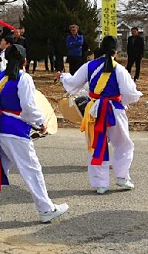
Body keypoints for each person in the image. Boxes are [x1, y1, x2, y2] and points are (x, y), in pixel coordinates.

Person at [0, 44, 68, 223]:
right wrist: (41, 123)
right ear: (25, 60)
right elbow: (29, 107)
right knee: (31, 169)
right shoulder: (24, 79)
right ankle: (46, 209)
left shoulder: (1, 77)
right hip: (15, 129)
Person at [57, 36, 142, 194]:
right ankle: (122, 177)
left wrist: (63, 77)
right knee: (124, 144)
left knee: (96, 146)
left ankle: (100, 184)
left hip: (94, 111)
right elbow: (130, 92)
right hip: (115, 110)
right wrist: (123, 102)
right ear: (115, 52)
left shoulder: (89, 66)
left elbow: (74, 83)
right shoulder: (119, 69)